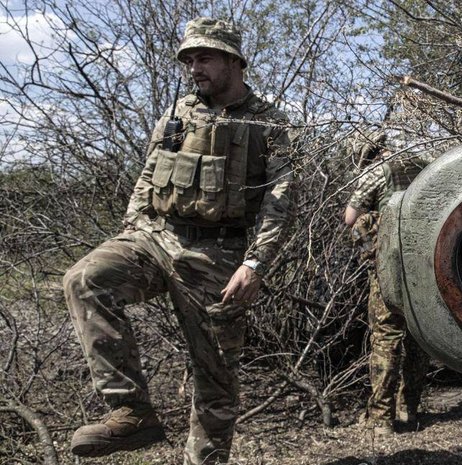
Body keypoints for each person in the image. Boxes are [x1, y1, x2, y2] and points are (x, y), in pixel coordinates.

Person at [64, 17, 294, 464]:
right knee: (85, 279)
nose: (194, 67)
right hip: (155, 239)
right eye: (189, 59)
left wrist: (256, 263)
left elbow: (281, 200)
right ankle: (130, 412)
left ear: (233, 60)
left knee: (216, 381)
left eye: (204, 57)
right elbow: (148, 177)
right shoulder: (177, 115)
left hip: (218, 256)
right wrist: (132, 230)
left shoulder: (270, 124)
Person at [343, 131, 429, 434]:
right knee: (420, 340)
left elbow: (350, 218)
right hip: (426, 270)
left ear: (370, 154)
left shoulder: (376, 172)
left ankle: (381, 419)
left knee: (386, 340)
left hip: (389, 270)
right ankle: (410, 410)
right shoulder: (427, 165)